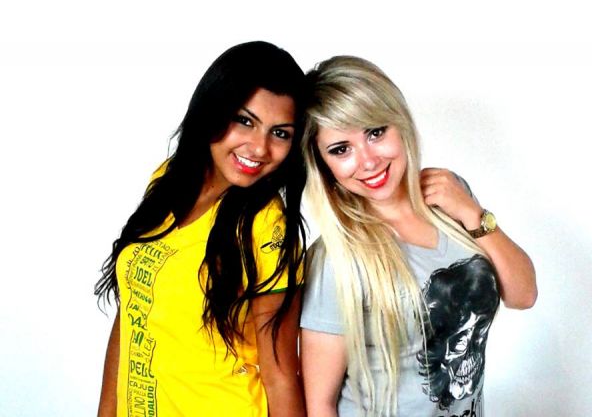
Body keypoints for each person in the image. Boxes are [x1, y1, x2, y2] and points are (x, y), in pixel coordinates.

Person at [299, 56, 537, 417]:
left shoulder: (451, 198)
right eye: (341, 149)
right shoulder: (335, 258)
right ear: (323, 164)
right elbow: (319, 403)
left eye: (375, 132)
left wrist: (472, 213)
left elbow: (523, 294)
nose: (368, 161)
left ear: (400, 123)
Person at [95, 41, 307, 417]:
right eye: (245, 121)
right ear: (213, 110)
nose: (259, 148)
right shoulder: (168, 181)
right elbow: (132, 314)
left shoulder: (267, 226)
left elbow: (280, 377)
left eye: (280, 133)